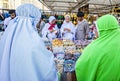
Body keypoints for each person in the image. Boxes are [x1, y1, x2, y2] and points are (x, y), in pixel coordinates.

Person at [0, 4, 58, 81]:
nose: (37, 24)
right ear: (32, 21)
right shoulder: (33, 38)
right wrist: (49, 54)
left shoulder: (11, 33)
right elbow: (44, 67)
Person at [75, 14, 120, 81]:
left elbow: (80, 66)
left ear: (102, 29)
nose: (95, 31)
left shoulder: (95, 48)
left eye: (96, 28)